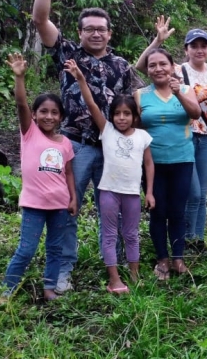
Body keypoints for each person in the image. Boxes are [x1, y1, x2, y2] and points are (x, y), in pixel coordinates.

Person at [31, 0, 135, 294]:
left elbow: (132, 109)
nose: (95, 34)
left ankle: (118, 268)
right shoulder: (68, 53)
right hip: (75, 146)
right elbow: (40, 20)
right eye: (88, 29)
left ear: (109, 32)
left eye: (100, 29)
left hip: (112, 149)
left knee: (117, 210)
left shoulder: (122, 66)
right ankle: (62, 271)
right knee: (67, 210)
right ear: (79, 32)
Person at [65, 60, 155, 293]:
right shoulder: (107, 131)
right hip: (109, 192)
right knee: (109, 234)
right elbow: (92, 105)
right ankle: (113, 278)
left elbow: (148, 164)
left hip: (132, 194)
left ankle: (135, 274)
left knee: (132, 234)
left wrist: (150, 192)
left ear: (135, 116)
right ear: (112, 116)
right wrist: (81, 79)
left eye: (127, 114)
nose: (122, 118)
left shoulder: (143, 136)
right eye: (117, 114)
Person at [137, 17, 207, 253]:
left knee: (201, 193)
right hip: (184, 136)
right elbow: (143, 66)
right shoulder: (176, 70)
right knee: (192, 192)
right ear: (185, 50)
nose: (199, 50)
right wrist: (157, 40)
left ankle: (197, 238)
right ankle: (184, 237)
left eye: (202, 45)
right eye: (193, 46)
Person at [2, 53, 76, 302]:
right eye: (43, 111)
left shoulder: (65, 142)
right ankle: (6, 291)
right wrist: (19, 77)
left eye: (55, 113)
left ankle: (49, 288)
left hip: (59, 205)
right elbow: (21, 104)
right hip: (34, 205)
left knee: (55, 249)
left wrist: (73, 198)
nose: (49, 116)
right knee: (26, 250)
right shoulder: (29, 133)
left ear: (61, 117)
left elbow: (68, 172)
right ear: (34, 115)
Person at [135, 48, 202, 280]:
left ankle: (178, 259)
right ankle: (162, 258)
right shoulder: (141, 94)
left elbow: (196, 114)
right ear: (148, 69)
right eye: (152, 65)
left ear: (172, 67)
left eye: (163, 64)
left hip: (182, 159)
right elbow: (134, 125)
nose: (158, 69)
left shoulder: (184, 89)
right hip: (152, 163)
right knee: (157, 211)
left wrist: (179, 94)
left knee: (177, 210)